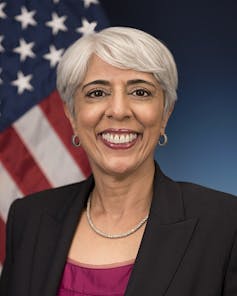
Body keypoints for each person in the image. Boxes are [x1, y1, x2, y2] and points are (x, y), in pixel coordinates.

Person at [0, 26, 237, 296]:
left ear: (165, 113)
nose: (119, 110)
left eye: (140, 92)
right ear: (72, 114)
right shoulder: (29, 219)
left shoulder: (226, 225)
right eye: (97, 93)